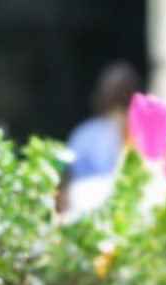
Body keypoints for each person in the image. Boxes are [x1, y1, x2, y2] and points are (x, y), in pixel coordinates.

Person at [61, 61, 142, 215]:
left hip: (85, 210)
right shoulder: (141, 137)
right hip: (100, 208)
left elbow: (65, 178)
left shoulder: (83, 134)